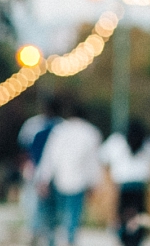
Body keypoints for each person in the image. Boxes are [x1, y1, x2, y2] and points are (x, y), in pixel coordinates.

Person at [35, 96, 103, 246]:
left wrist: (44, 179)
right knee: (73, 216)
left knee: (58, 215)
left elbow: (49, 157)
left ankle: (53, 241)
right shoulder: (91, 132)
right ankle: (69, 241)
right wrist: (94, 183)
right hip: (79, 181)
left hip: (60, 179)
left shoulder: (60, 130)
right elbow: (92, 162)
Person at [99, 118, 150, 246]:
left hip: (122, 187)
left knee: (120, 218)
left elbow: (102, 158)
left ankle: (123, 238)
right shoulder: (149, 143)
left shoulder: (117, 141)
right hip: (141, 187)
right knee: (139, 220)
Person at [19, 96, 61, 246]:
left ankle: (38, 235)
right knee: (38, 208)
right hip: (42, 174)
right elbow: (25, 151)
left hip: (47, 175)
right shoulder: (35, 125)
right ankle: (37, 234)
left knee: (41, 208)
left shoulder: (60, 128)